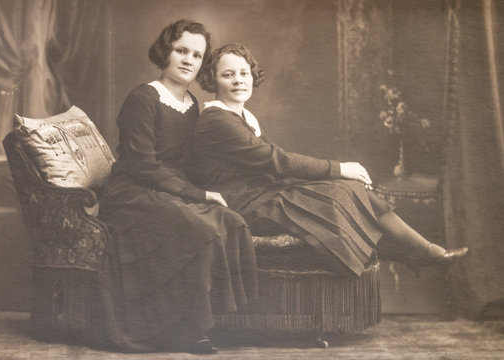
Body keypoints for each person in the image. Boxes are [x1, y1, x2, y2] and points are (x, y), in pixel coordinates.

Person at [189, 43, 468, 279]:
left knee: (350, 189)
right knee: (340, 192)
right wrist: (339, 169)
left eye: (243, 73)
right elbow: (275, 160)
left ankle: (423, 251)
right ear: (213, 81)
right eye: (228, 75)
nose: (238, 80)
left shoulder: (242, 116)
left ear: (253, 77)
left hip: (264, 194)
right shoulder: (217, 120)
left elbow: (272, 164)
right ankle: (416, 252)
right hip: (244, 206)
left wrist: (333, 176)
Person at [99, 24, 257, 354]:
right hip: (132, 192)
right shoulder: (143, 97)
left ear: (203, 64)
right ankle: (187, 329)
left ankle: (222, 322)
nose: (188, 60)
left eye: (196, 55)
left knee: (231, 221)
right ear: (165, 52)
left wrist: (210, 189)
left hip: (171, 189)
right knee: (200, 227)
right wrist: (198, 196)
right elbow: (142, 165)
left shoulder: (192, 104)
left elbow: (190, 164)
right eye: (181, 51)